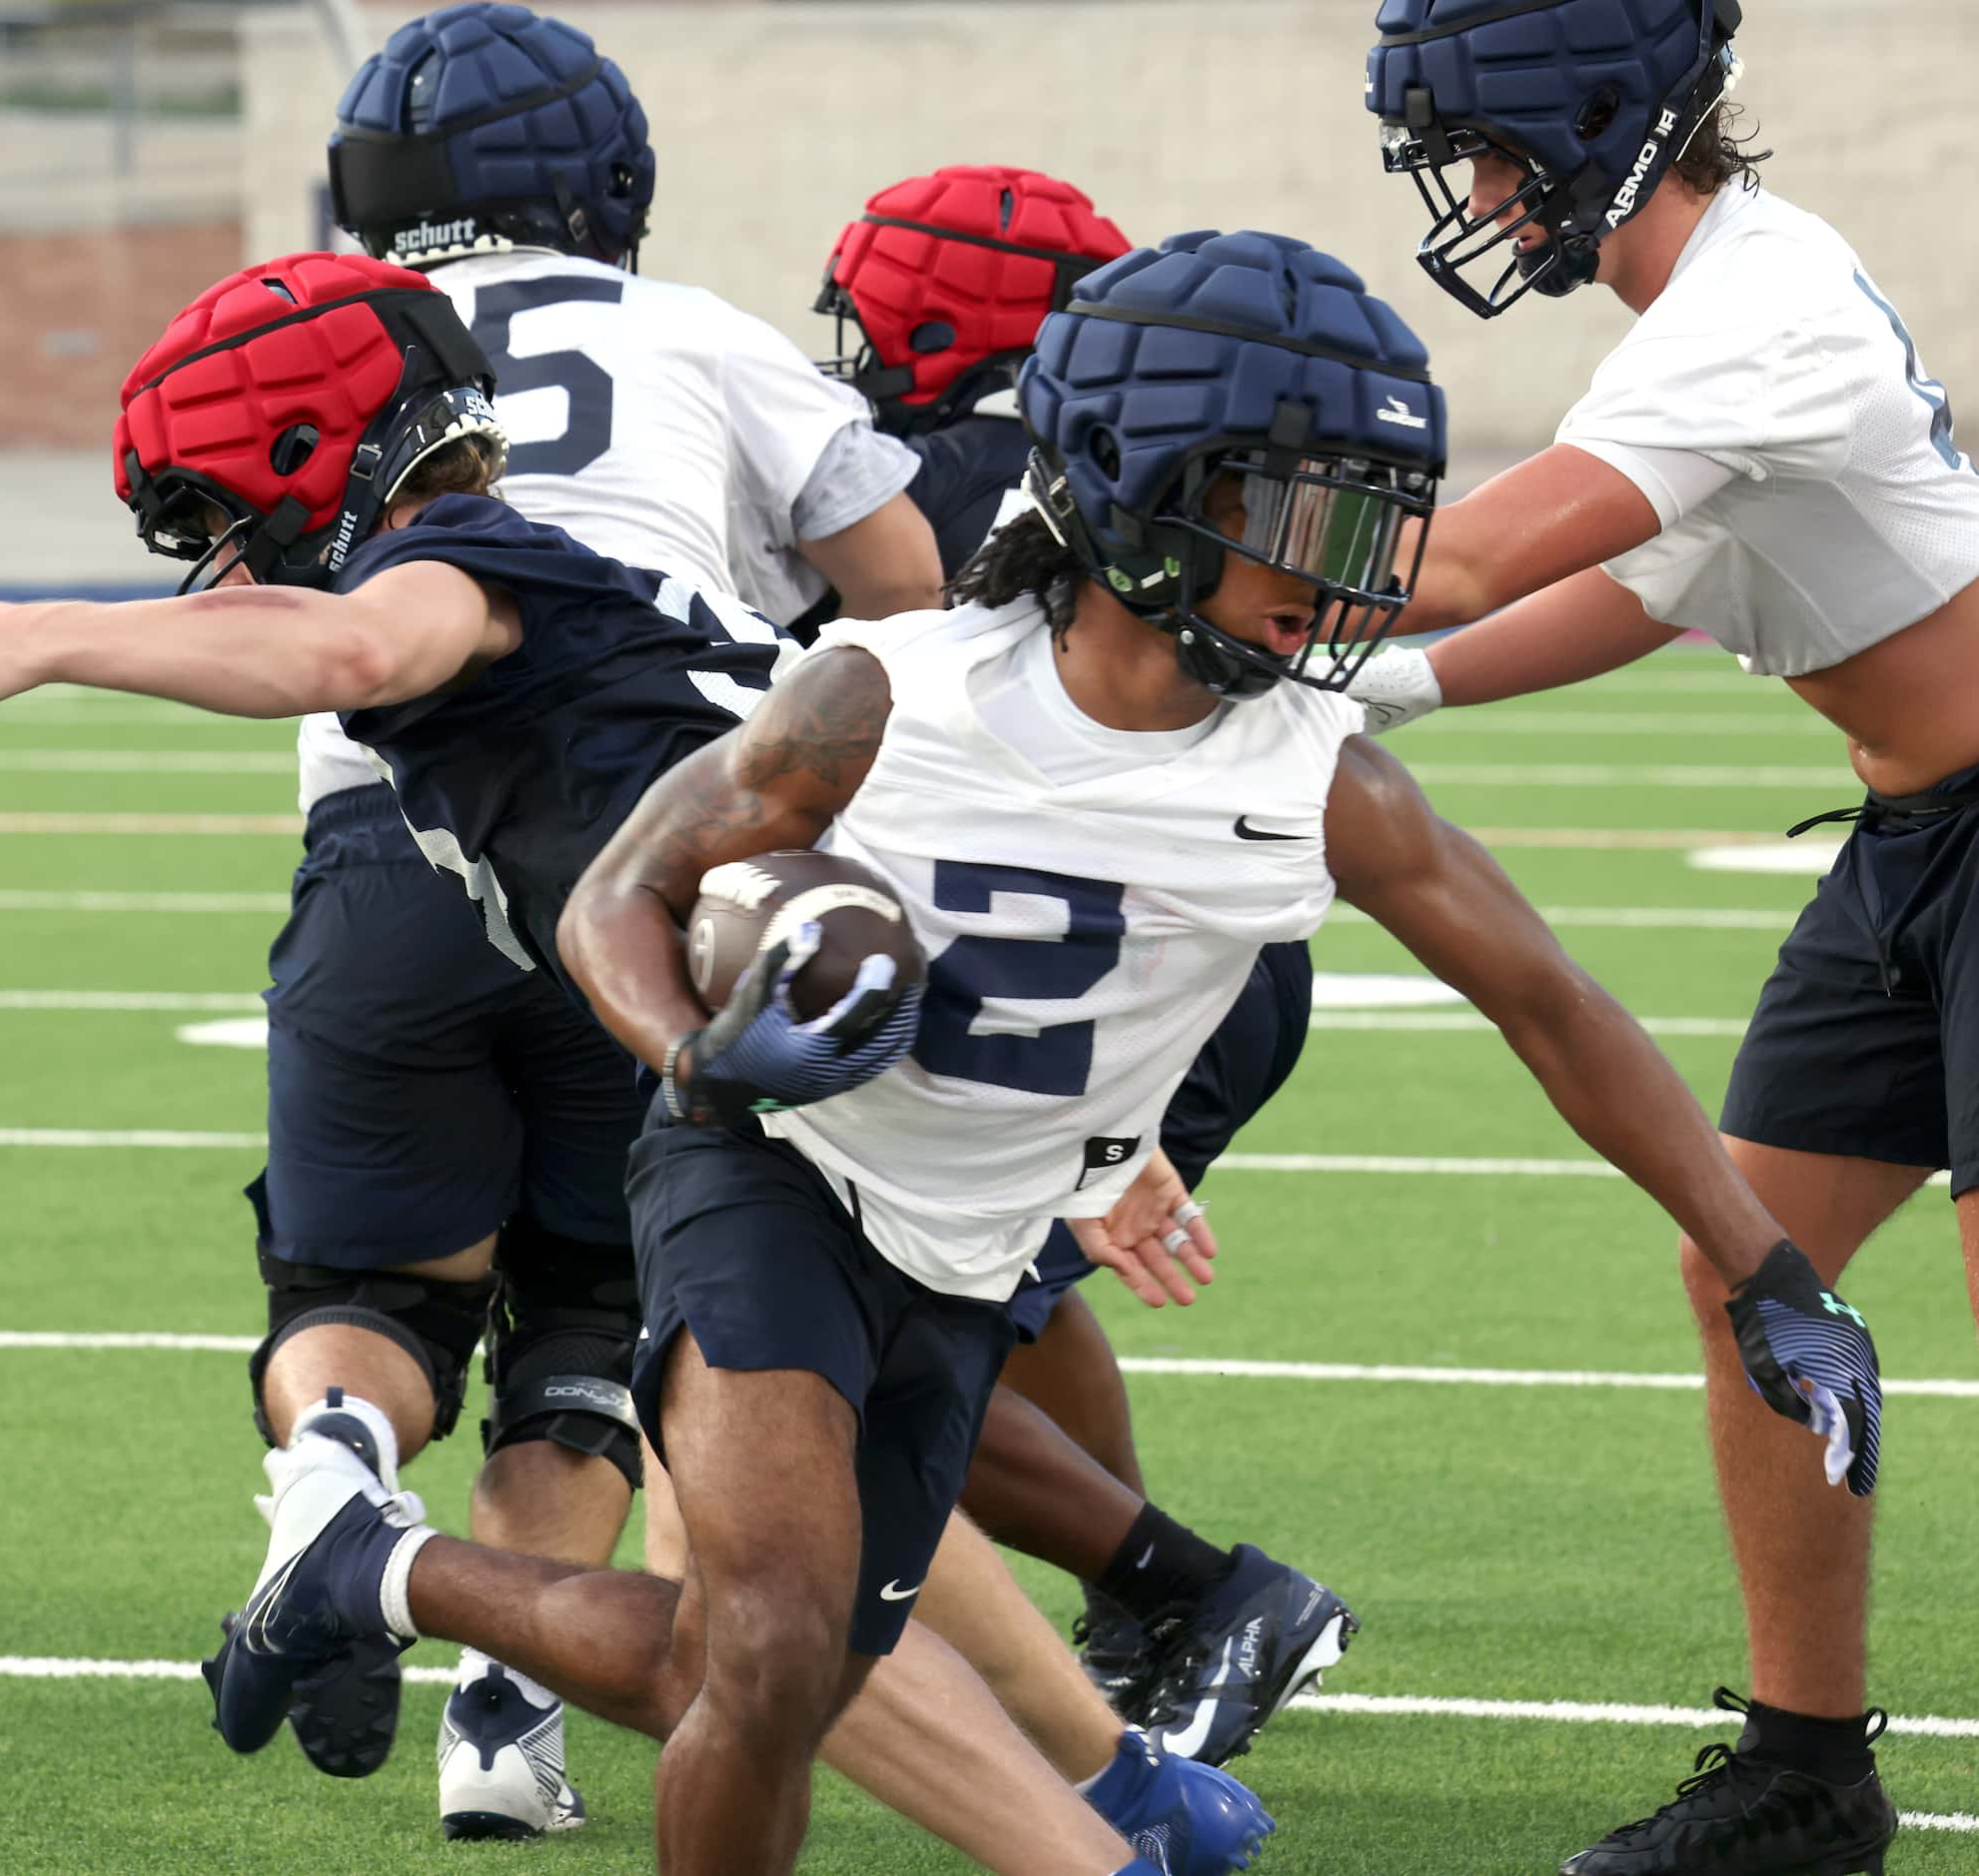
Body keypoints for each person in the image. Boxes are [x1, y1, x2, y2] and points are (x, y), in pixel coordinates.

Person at [0, 251, 1266, 1876]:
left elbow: (339, 655)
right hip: (830, 1050)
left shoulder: (450, 560)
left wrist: (41, 635)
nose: (221, 564)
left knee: (770, 1642)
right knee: (769, 1638)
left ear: (310, 454)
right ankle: (1110, 1812)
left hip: (805, 1061)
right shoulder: (515, 555)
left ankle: (379, 1567)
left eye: (221, 512)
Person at [539, 228, 1878, 1876]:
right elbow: (620, 894)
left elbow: (1552, 1005)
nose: (1350, 577)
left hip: (969, 1257)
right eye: (1304, 519)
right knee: (766, 1642)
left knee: (789, 1671)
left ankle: (382, 1569)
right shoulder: (882, 691)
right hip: (772, 1171)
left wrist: (1768, 1272)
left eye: (1375, 527)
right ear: (1135, 487)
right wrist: (689, 1055)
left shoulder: (1323, 776)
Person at [236, 1, 942, 1837]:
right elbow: (900, 591)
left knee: (361, 1290)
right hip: (641, 860)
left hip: (381, 850)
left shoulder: (332, 333)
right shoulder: (696, 335)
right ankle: (501, 1715)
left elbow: (247, 580)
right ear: (607, 178)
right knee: (594, 1309)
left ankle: (332, 1471)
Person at [1363, 2, 1979, 1868]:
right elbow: (1644, 586)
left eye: (1478, 153)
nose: (1469, 198)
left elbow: (1470, 553)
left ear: (1592, 128)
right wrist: (1372, 695)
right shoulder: (1714, 307)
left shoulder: (1749, 307)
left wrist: (1174, 548)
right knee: (1754, 1271)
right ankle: (1807, 1770)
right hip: (1911, 840)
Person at [815, 162, 1357, 1764]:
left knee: (853, 1329)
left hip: (1046, 954)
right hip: (1214, 946)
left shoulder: (893, 485)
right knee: (1002, 1287)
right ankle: (1146, 1608)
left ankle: (1189, 1590)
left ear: (931, 308)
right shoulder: (1174, 470)